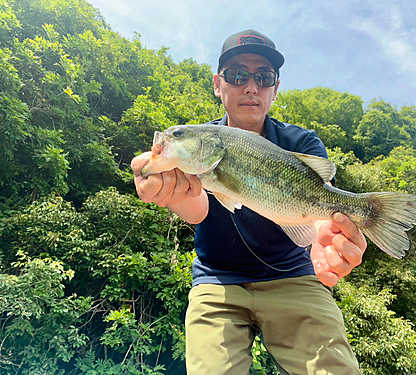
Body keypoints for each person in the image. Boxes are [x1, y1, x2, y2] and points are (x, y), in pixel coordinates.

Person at [131, 29, 366, 375]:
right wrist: (172, 194)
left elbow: (319, 204)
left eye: (264, 77)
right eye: (237, 75)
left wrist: (328, 236)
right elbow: (199, 209)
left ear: (275, 88)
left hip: (294, 276)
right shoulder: (201, 145)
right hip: (218, 281)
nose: (251, 86)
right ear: (218, 84)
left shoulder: (301, 141)